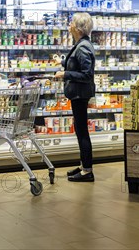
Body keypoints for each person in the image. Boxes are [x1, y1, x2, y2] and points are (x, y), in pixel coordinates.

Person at [54, 12, 96, 182]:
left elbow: (87, 75)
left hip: (80, 94)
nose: (69, 26)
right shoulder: (81, 44)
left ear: (78, 28)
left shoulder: (83, 47)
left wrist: (65, 74)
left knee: (82, 132)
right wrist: (63, 63)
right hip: (77, 94)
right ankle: (83, 165)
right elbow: (77, 64)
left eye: (71, 23)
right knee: (80, 131)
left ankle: (87, 171)